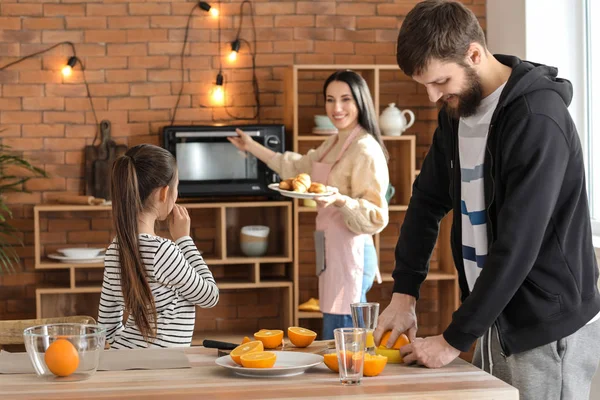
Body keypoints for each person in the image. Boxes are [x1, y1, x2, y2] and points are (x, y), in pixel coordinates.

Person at [373, 1, 600, 399]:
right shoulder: (459, 112)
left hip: (545, 325)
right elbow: (426, 202)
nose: (431, 97)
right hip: (492, 313)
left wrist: (453, 339)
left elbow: (518, 245)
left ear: (474, 54)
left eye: (440, 82)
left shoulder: (537, 119)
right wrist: (404, 293)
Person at [229, 70, 390, 340]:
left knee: (343, 338)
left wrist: (338, 199)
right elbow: (295, 166)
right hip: (329, 246)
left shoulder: (364, 148)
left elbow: (376, 216)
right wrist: (251, 146)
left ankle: (349, 382)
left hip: (351, 252)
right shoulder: (335, 141)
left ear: (360, 101)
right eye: (330, 99)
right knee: (334, 332)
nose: (336, 108)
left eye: (345, 99)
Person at [98, 144, 219, 349]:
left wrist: (129, 351)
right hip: (161, 367)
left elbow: (106, 326)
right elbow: (210, 296)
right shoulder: (163, 252)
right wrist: (184, 240)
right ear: (164, 193)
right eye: (177, 186)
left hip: (124, 360)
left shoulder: (114, 250)